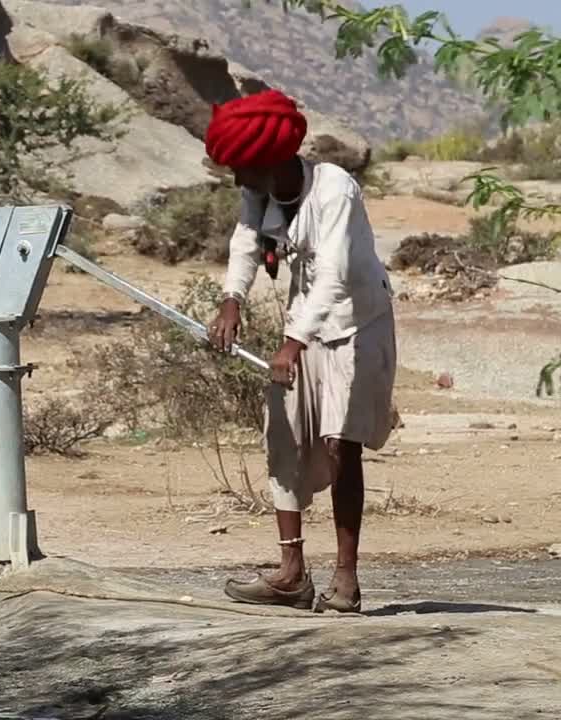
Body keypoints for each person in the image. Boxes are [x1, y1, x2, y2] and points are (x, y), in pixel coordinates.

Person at [204, 89, 397, 614]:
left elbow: (333, 276)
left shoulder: (334, 189)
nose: (240, 182)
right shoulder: (261, 189)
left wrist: (291, 344)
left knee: (341, 444)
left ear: (270, 162)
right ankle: (291, 576)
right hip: (304, 323)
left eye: (245, 170)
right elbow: (246, 241)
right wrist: (231, 301)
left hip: (358, 324)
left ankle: (346, 579)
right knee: (284, 438)